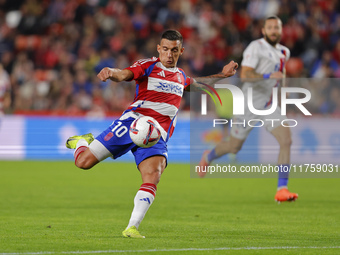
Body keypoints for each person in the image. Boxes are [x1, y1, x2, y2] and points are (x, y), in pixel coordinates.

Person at [66, 30, 238, 238]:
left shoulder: (181, 77)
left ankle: (132, 227)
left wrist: (223, 75)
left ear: (181, 51)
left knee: (153, 176)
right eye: (165, 49)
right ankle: (82, 142)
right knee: (83, 163)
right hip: (132, 124)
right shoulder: (148, 66)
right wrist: (112, 72)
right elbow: (125, 74)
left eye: (174, 50)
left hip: (156, 135)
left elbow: (200, 84)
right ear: (159, 49)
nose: (169, 54)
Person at [199, 16, 298, 203]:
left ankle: (281, 189)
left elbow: (281, 75)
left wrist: (283, 93)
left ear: (281, 30)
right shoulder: (255, 47)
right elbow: (245, 75)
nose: (273, 30)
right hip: (248, 105)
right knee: (234, 146)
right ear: (263, 31)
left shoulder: (285, 51)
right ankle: (209, 155)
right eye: (270, 27)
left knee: (286, 140)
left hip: (269, 106)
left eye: (276, 27)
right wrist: (268, 75)